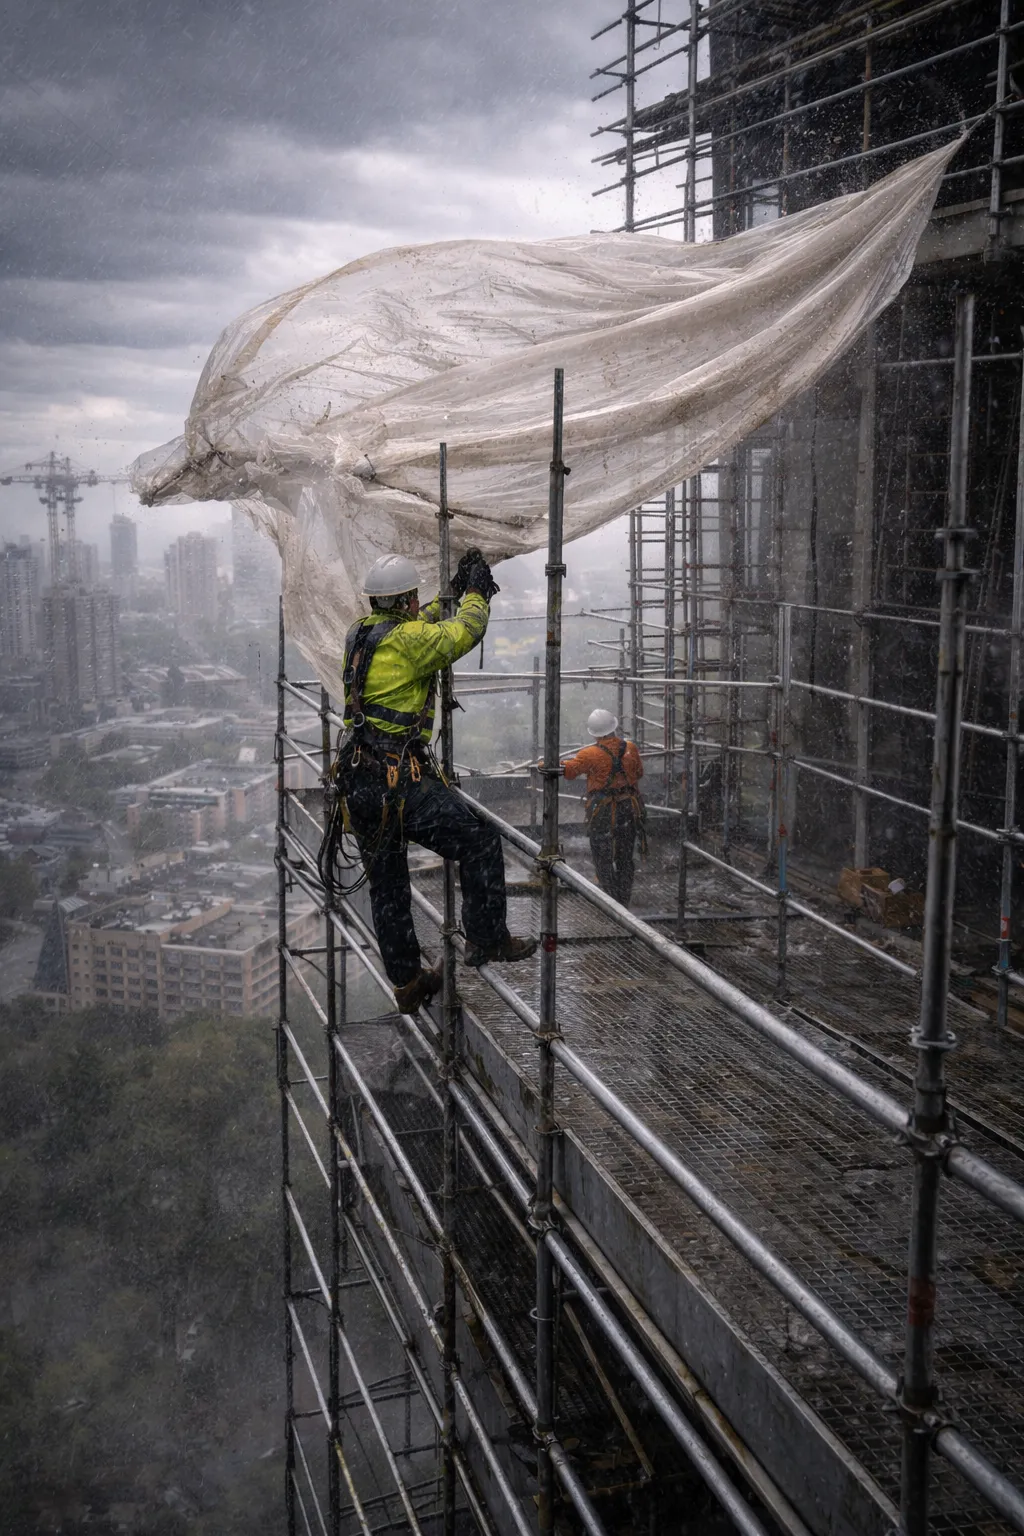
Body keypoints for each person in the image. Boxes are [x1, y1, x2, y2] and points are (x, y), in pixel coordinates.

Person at [331, 550, 537, 1014]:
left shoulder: (360, 633)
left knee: (387, 883)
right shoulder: (409, 642)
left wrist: (450, 593)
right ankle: (486, 938)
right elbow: (463, 633)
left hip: (360, 780)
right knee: (480, 842)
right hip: (396, 780)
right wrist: (477, 594)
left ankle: (407, 982)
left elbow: (418, 624)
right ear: (407, 600)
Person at [561, 709, 645, 907]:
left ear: (594, 733)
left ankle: (610, 901)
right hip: (628, 807)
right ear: (614, 726)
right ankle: (623, 901)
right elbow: (639, 773)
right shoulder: (630, 748)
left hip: (604, 810)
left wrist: (546, 764)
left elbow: (570, 772)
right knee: (625, 855)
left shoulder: (589, 754)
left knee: (602, 853)